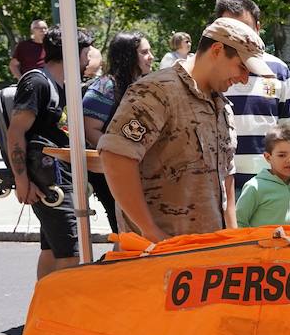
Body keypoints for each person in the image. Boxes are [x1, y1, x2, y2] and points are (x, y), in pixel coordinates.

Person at [99, 17, 268, 241]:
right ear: (217, 50)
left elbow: (226, 175)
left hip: (206, 255)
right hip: (160, 254)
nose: (245, 79)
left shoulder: (222, 105)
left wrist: (231, 238)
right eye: (242, 67)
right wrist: (149, 231)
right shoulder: (156, 91)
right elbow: (115, 157)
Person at [5, 26, 92, 278]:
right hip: (49, 182)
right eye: (85, 53)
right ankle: (59, 313)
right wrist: (22, 181)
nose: (88, 59)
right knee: (70, 253)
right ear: (72, 53)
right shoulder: (37, 82)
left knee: (52, 250)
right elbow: (15, 133)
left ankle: (41, 311)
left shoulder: (64, 86)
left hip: (60, 178)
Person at [216, 0, 290, 189]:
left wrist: (283, 169)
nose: (238, 36)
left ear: (258, 28)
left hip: (268, 183)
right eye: (230, 28)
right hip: (219, 184)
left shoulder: (278, 69)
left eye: (245, 28)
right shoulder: (209, 72)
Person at [82, 31, 155, 233]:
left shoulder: (144, 85)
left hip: (136, 168)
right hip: (111, 171)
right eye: (145, 52)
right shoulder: (105, 87)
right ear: (128, 56)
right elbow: (90, 129)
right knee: (127, 232)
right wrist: (120, 157)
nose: (151, 57)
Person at [235, 125, 290, 227]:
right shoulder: (254, 187)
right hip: (259, 243)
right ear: (268, 157)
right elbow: (239, 222)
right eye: (282, 155)